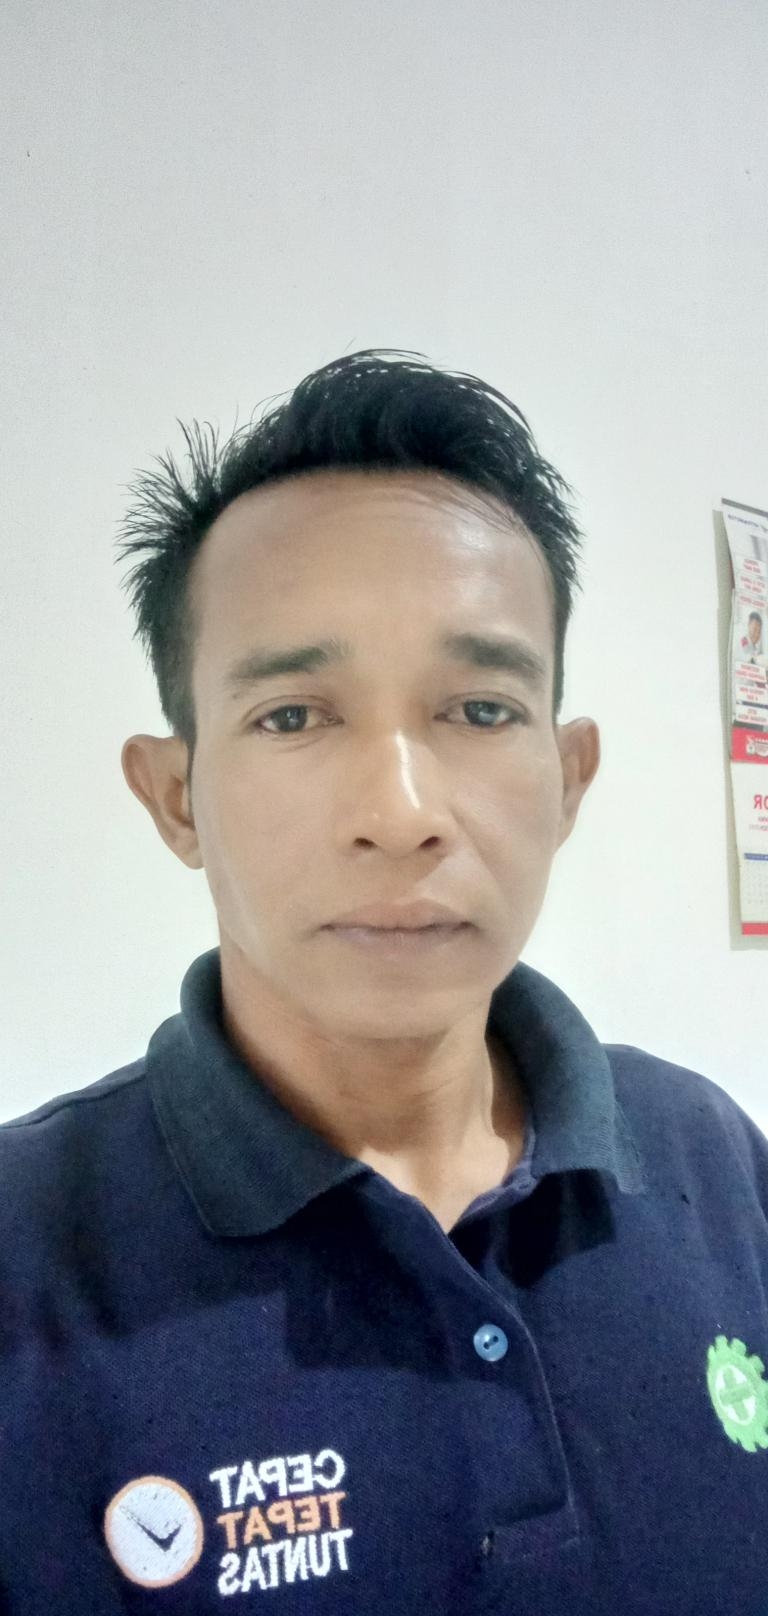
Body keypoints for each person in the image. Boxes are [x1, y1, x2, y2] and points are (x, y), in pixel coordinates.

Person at [3, 349, 768, 1614]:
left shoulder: (715, 1157)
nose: (402, 812)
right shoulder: (29, 1248)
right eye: (293, 715)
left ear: (569, 778)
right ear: (175, 795)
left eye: (480, 709)